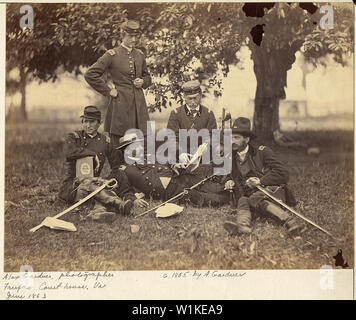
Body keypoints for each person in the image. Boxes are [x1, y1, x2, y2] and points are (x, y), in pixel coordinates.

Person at [58, 106, 147, 222]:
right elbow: (68, 153)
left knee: (117, 174)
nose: (88, 125)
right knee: (89, 184)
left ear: (99, 123)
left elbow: (116, 166)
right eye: (85, 121)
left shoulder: (105, 141)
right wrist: (91, 154)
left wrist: (131, 195)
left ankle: (98, 212)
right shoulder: (74, 137)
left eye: (92, 122)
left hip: (95, 183)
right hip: (74, 185)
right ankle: (118, 204)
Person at [223, 117, 304, 236]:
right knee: (243, 199)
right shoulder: (231, 156)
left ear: (247, 139)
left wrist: (260, 181)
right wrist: (229, 180)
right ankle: (242, 226)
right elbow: (227, 173)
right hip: (254, 199)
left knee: (253, 198)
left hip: (274, 192)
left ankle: (291, 222)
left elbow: (283, 173)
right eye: (231, 137)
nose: (232, 141)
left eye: (236, 137)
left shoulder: (262, 152)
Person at [84, 20, 152, 149]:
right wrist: (108, 90)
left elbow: (148, 77)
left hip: (139, 105)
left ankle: (139, 168)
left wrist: (143, 82)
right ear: (122, 35)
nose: (134, 39)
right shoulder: (112, 55)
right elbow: (90, 74)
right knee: (120, 142)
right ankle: (119, 168)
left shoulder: (140, 55)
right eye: (130, 36)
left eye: (136, 36)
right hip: (121, 104)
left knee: (142, 145)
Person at [166, 80, 217, 164]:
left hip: (203, 159)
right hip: (181, 160)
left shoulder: (208, 114)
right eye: (190, 99)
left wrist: (206, 145)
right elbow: (171, 138)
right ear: (184, 97)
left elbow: (213, 136)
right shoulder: (176, 114)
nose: (193, 102)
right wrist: (180, 152)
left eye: (195, 98)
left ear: (200, 96)